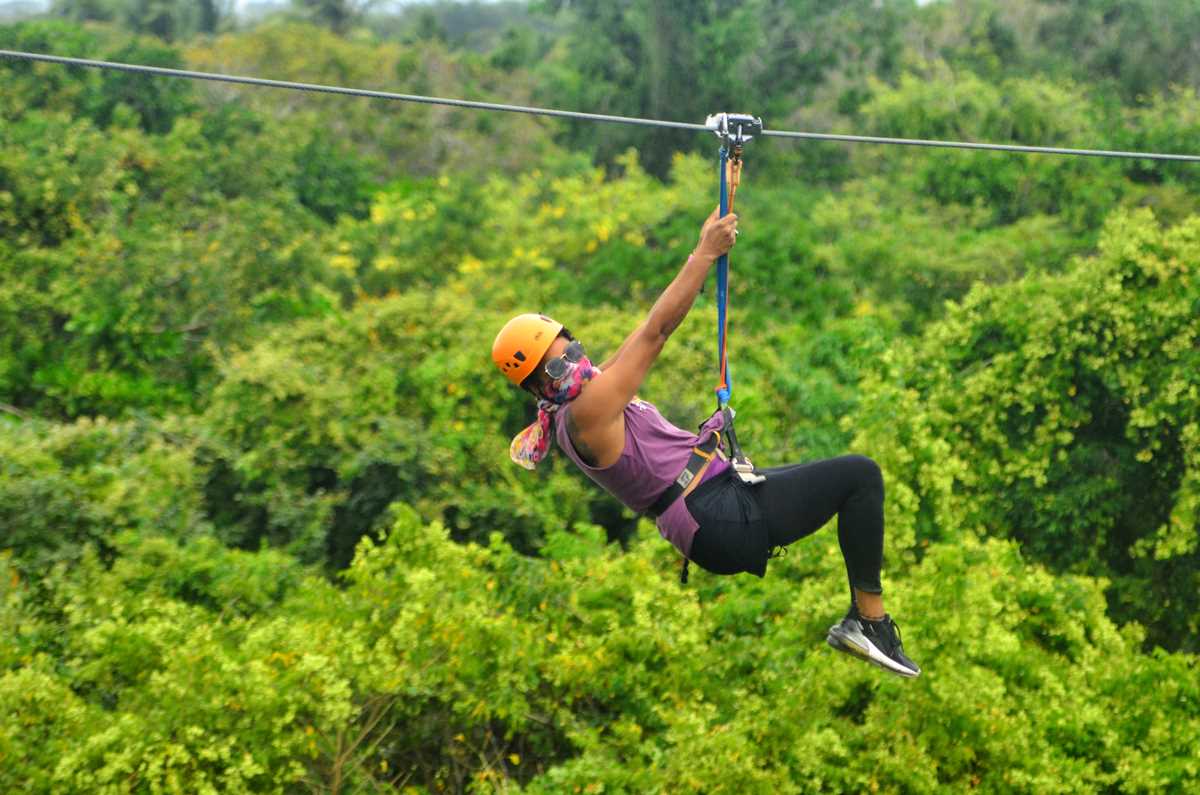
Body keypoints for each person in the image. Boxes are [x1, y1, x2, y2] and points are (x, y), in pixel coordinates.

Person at [491, 208, 920, 678]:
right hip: (716, 516)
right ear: (536, 387)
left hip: (717, 505)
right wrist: (704, 253)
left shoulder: (584, 394)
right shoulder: (585, 412)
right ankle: (870, 623)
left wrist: (709, 238)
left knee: (849, 478)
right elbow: (656, 333)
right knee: (860, 476)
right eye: (557, 367)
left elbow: (639, 332)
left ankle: (868, 622)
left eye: (571, 350)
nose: (573, 364)